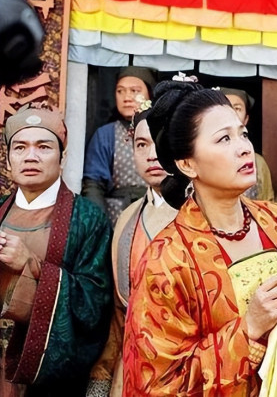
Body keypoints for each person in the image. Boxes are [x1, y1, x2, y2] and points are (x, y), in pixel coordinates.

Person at [123, 80, 277, 397]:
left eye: (243, 134)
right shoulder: (167, 260)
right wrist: (249, 328)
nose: (244, 147)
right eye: (224, 138)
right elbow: (156, 383)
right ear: (187, 164)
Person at [0, 104, 113, 396]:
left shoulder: (87, 218)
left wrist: (32, 264)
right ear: (8, 160)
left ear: (62, 158)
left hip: (45, 378)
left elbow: (96, 306)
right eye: (20, 147)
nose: (31, 156)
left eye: (44, 147)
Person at [86, 101, 178, 397]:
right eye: (141, 144)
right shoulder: (127, 218)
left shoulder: (208, 213)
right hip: (132, 368)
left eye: (162, 141)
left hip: (193, 368)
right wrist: (100, 383)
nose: (152, 154)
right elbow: (117, 317)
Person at [82, 66, 156, 225]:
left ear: (150, 94)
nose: (127, 97)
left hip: (156, 212)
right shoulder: (106, 134)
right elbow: (93, 185)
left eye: (134, 91)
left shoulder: (163, 131)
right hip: (116, 215)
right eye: (120, 91)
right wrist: (100, 225)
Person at [218, 87, 274, 201]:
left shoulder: (258, 162)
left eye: (237, 108)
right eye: (226, 107)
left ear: (246, 119)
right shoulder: (208, 156)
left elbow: (268, 201)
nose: (231, 113)